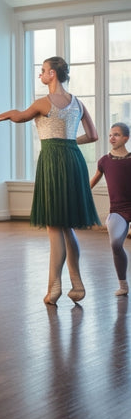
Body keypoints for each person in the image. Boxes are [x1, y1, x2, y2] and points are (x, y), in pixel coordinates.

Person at [0, 56, 100, 305]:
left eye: (43, 71)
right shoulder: (78, 103)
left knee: (54, 225)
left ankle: (54, 287)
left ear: (53, 74)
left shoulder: (43, 103)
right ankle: (76, 283)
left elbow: (18, 116)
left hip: (53, 161)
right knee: (68, 226)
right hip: (73, 159)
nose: (40, 75)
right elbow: (94, 135)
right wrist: (68, 144)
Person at [90, 122, 131, 296]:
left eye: (116, 134)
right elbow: (91, 184)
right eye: (110, 135)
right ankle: (123, 285)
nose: (112, 138)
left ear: (126, 138)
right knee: (115, 244)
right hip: (118, 210)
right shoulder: (104, 161)